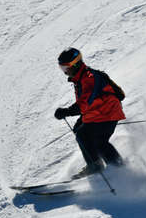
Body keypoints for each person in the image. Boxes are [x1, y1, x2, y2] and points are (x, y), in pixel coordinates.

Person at [54, 47, 126, 179]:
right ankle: (116, 166)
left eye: (66, 68)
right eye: (62, 68)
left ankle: (96, 166)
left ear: (76, 64)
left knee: (87, 136)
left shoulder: (89, 78)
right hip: (101, 112)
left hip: (107, 113)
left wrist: (67, 111)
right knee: (85, 132)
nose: (65, 72)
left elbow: (85, 103)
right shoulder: (80, 77)